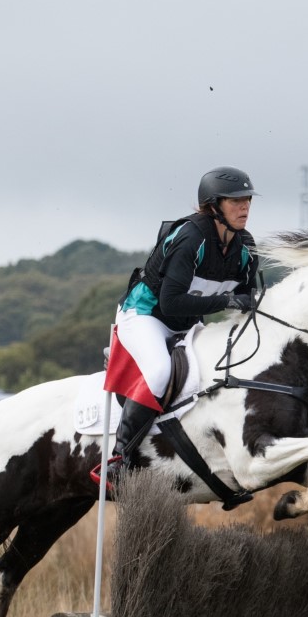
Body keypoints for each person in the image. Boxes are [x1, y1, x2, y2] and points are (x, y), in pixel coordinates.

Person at [93, 166, 261, 487]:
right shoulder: (191, 239)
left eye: (248, 200)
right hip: (146, 316)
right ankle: (119, 458)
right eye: (235, 201)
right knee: (159, 372)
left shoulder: (245, 248)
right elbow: (171, 303)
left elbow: (244, 299)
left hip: (188, 324)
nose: (245, 207)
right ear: (213, 206)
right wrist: (227, 301)